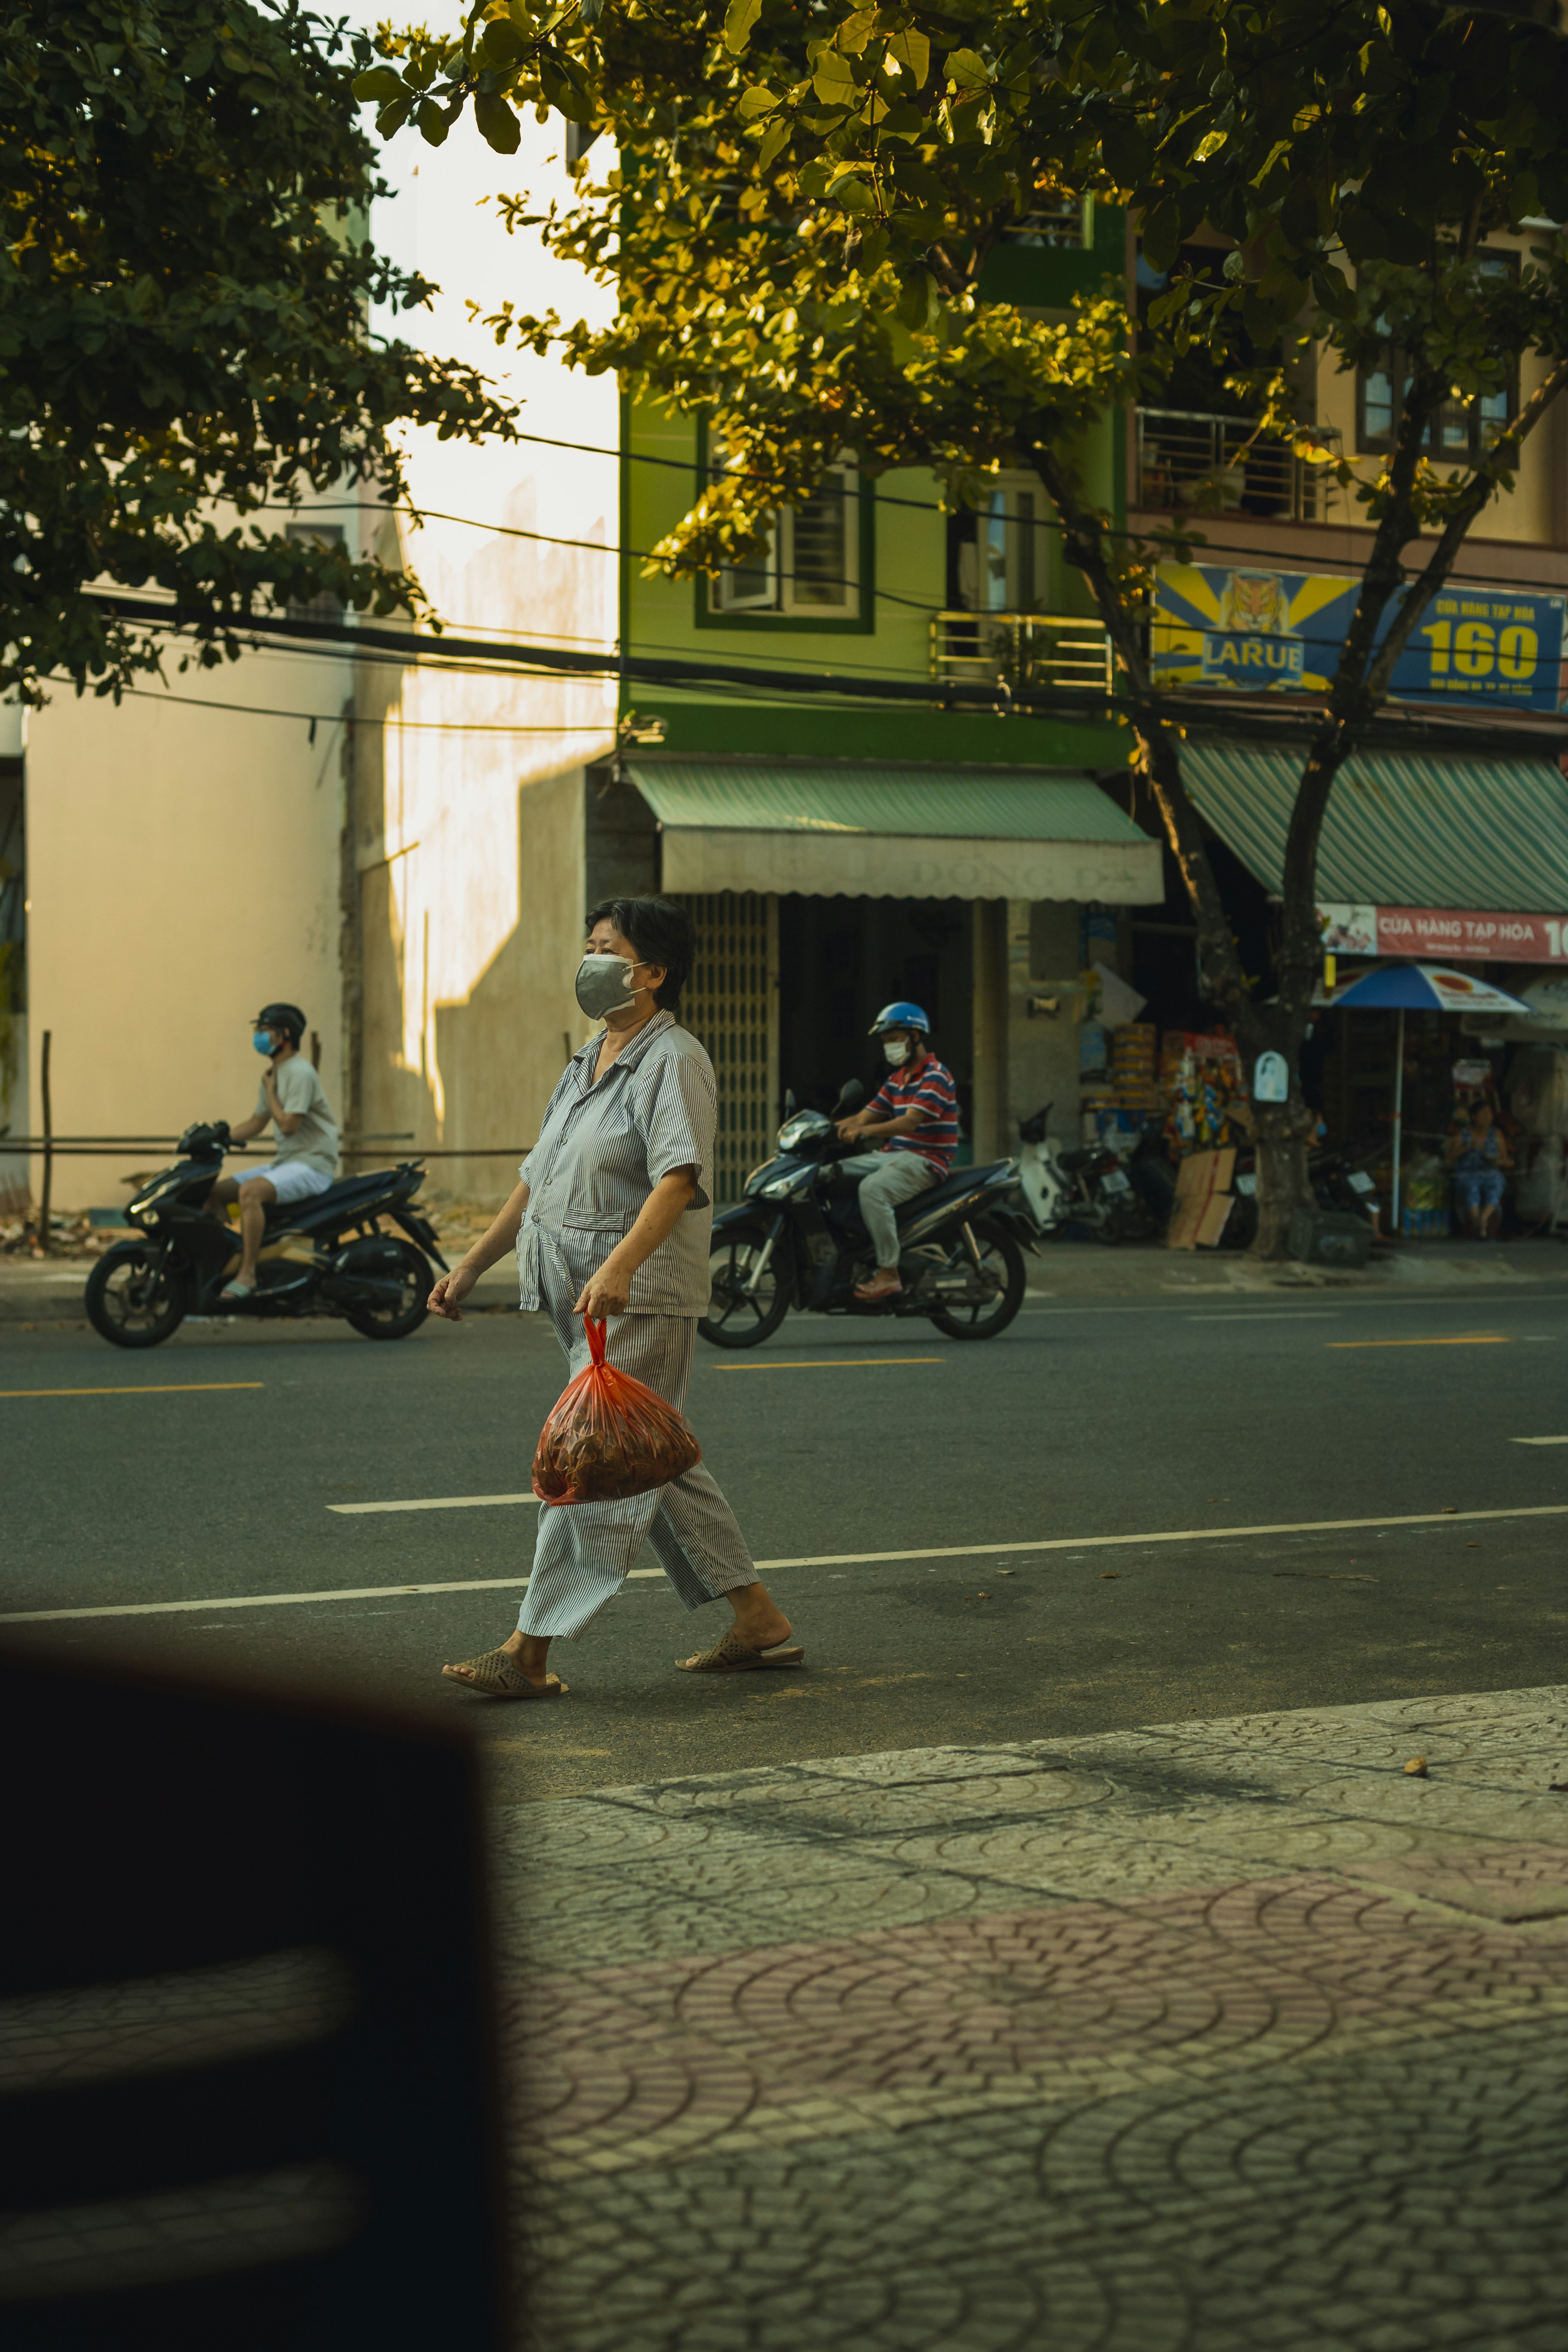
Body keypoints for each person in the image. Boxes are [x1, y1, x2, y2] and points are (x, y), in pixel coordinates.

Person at [430, 897, 801, 1701]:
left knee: (592, 1464)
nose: (591, 960)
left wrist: (622, 1266)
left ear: (653, 973)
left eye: (609, 949)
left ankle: (527, 1651)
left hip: (635, 1298)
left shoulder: (675, 1060)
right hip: (580, 1298)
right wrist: (469, 1266)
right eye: (589, 946)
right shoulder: (587, 1059)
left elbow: (678, 1178)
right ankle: (759, 1619)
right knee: (651, 1459)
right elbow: (536, 1179)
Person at [206, 1002, 339, 1300]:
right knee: (214, 1193)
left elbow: (289, 1124)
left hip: (314, 1164)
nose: (259, 1037)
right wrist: (219, 1138)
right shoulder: (274, 1073)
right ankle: (232, 1258)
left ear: (284, 1035)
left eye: (264, 1031)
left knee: (250, 1194)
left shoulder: (300, 1073)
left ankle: (249, 1273)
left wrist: (270, 1092)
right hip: (287, 1162)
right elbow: (257, 1122)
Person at [833, 1001, 960, 1302]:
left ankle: (889, 1273)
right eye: (886, 1041)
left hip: (926, 1160)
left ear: (915, 1037)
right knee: (830, 1175)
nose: (890, 1046)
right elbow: (865, 1117)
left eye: (895, 1039)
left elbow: (909, 1122)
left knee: (872, 1190)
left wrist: (863, 1132)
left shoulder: (936, 1076)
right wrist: (820, 1130)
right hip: (894, 1156)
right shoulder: (896, 1080)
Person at [1445, 1098, 1513, 1238]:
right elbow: (1450, 1156)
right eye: (1483, 1114)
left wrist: (1498, 1162)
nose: (1487, 1117)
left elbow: (1505, 1158)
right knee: (1472, 1188)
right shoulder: (1463, 1134)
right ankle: (1479, 1222)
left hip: (1490, 1172)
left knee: (1496, 1185)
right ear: (1474, 1117)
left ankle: (1482, 1219)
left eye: (1489, 1113)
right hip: (1468, 1173)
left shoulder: (1497, 1134)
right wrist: (1469, 1147)